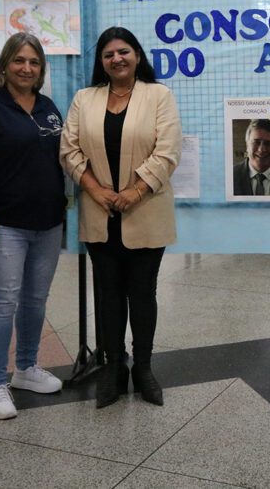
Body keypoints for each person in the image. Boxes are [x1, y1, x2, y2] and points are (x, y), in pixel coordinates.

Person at [60, 27, 181, 408]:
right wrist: (97, 191)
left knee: (143, 294)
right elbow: (69, 150)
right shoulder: (85, 98)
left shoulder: (158, 95)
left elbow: (168, 150)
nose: (117, 59)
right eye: (109, 54)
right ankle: (114, 368)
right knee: (108, 296)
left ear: (138, 55)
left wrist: (135, 191)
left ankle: (143, 367)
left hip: (145, 210)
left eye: (124, 51)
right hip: (100, 214)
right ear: (101, 62)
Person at [0, 33, 67, 420]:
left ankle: (26, 368)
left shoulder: (49, 107)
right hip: (5, 224)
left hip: (49, 222)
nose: (26, 68)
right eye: (19, 60)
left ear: (41, 69)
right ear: (4, 64)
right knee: (3, 302)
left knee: (36, 301)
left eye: (34, 62)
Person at [232, 118, 270, 196]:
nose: (261, 149)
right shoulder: (231, 177)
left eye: (268, 143)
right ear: (247, 145)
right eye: (256, 142)